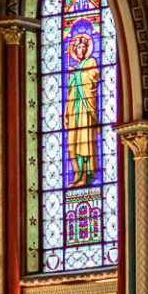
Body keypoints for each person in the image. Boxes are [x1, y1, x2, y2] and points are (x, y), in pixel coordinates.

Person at [63, 32, 100, 188]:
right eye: (78, 47)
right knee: (74, 144)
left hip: (85, 110)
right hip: (74, 110)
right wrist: (66, 113)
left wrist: (76, 73)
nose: (81, 49)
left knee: (84, 144)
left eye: (84, 47)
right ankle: (77, 177)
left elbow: (92, 78)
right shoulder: (76, 67)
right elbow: (70, 92)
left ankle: (85, 176)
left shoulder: (90, 61)